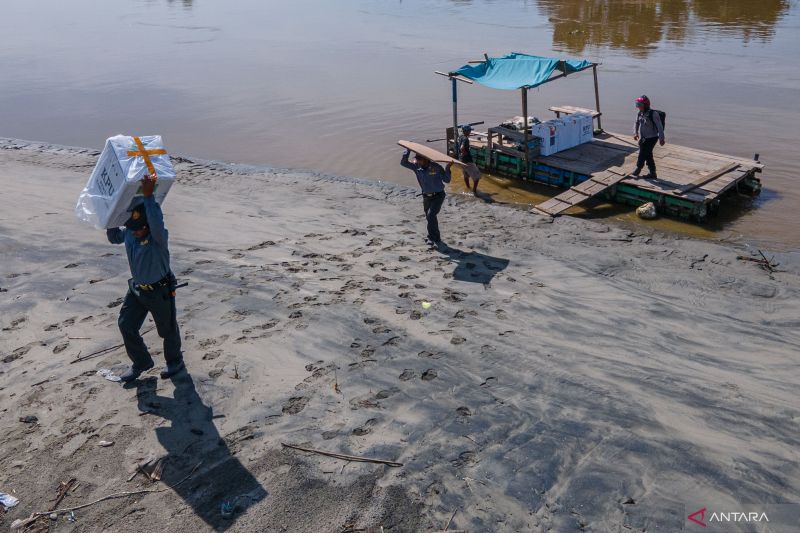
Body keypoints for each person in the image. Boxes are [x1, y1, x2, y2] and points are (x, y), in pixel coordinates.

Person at [107, 174, 184, 382]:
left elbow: (156, 220)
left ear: (147, 226)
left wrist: (149, 196)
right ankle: (141, 362)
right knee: (126, 325)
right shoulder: (131, 233)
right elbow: (114, 236)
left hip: (160, 290)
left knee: (167, 330)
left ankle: (175, 362)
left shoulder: (158, 237)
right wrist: (110, 214)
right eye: (133, 229)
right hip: (137, 289)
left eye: (141, 228)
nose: (137, 232)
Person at [401, 149, 452, 247]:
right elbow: (403, 163)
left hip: (438, 196)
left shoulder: (436, 167)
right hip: (426, 196)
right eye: (417, 159)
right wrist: (407, 150)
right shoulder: (416, 167)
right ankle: (436, 237)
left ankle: (431, 237)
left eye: (420, 159)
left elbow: (447, 180)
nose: (418, 161)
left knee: (431, 216)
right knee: (430, 217)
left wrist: (448, 168)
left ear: (426, 159)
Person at [632, 95, 665, 179]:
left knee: (643, 153)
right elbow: (636, 123)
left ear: (646, 105)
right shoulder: (640, 113)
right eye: (637, 105)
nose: (638, 107)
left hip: (652, 138)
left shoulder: (653, 114)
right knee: (648, 154)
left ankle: (638, 168)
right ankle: (653, 173)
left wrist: (661, 139)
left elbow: (660, 127)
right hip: (643, 138)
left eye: (640, 105)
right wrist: (635, 133)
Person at [458, 125, 482, 194]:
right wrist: (464, 153)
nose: (470, 132)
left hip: (461, 160)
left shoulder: (460, 137)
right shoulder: (466, 139)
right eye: (469, 131)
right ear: (466, 131)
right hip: (467, 161)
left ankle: (468, 188)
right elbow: (462, 148)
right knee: (477, 177)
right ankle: (474, 191)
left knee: (466, 175)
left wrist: (462, 154)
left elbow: (461, 147)